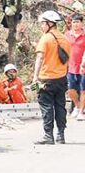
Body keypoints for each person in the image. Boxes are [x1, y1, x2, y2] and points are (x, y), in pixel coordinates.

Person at [31, 10, 71, 145]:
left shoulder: (46, 38)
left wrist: (35, 77)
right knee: (60, 106)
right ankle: (61, 135)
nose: (42, 26)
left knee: (46, 106)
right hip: (61, 78)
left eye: (43, 23)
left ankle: (48, 135)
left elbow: (40, 57)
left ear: (49, 23)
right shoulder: (65, 38)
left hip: (46, 78)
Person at [64, 13, 85, 119]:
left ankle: (81, 112)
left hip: (83, 66)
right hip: (70, 66)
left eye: (78, 22)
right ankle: (77, 106)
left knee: (83, 90)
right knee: (70, 89)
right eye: (74, 22)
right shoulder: (67, 35)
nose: (76, 24)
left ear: (82, 23)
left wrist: (83, 63)